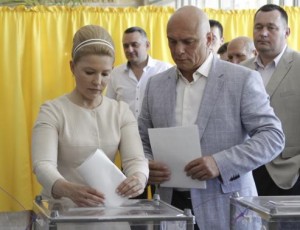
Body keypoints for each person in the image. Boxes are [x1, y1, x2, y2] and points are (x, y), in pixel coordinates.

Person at [138, 6, 285, 230]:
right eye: (172, 41)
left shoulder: (242, 79)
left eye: (188, 42)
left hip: (228, 208)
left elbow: (273, 137)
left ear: (208, 39)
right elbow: (141, 139)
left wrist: (220, 162)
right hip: (171, 209)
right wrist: (146, 164)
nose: (178, 50)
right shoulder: (155, 85)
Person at [31, 25, 149, 207]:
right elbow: (43, 165)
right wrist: (67, 189)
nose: (97, 82)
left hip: (109, 213)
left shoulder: (120, 111)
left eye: (105, 74)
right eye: (89, 72)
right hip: (64, 213)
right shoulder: (52, 111)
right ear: (72, 67)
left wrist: (139, 177)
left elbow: (135, 160)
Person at [241, 4, 300, 195]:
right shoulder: (240, 71)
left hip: (288, 172)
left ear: (287, 32)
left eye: (271, 28)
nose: (263, 33)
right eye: (258, 27)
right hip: (246, 170)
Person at [106, 26, 172, 118]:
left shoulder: (165, 70)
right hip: (124, 131)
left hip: (156, 131)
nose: (130, 49)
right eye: (126, 46)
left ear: (147, 45)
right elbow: (109, 107)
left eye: (134, 45)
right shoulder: (115, 74)